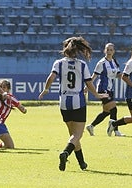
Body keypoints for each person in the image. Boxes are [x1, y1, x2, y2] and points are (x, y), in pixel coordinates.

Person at [38, 36, 108, 171]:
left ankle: (82, 163)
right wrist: (96, 95)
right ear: (78, 51)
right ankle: (65, 153)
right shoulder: (82, 65)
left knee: (73, 135)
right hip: (78, 101)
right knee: (77, 135)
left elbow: (51, 77)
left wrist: (46, 89)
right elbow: (89, 83)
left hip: (63, 102)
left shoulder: (58, 63)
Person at [86, 43, 125, 136]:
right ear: (105, 51)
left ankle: (91, 126)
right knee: (114, 109)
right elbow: (94, 75)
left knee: (106, 112)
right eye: (107, 50)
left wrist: (127, 76)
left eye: (111, 50)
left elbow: (118, 74)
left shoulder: (114, 62)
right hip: (103, 89)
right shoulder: (101, 63)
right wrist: (87, 87)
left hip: (110, 89)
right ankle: (115, 130)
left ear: (114, 51)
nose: (109, 51)